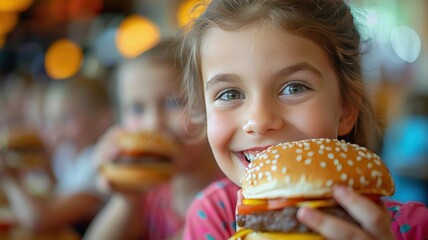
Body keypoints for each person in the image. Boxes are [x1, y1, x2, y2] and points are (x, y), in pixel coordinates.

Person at [179, 1, 428, 239]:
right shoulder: (213, 215)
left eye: (294, 88)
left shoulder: (414, 228)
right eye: (230, 94)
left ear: (346, 108)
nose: (258, 120)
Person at [83, 40, 221, 240]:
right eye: (137, 109)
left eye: (174, 102)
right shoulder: (151, 194)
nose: (153, 124)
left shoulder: (233, 190)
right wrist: (127, 199)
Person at [0, 77, 113, 236]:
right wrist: (48, 170)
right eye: (52, 121)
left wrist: (10, 179)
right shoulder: (74, 157)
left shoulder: (99, 165)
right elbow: (64, 192)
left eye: (65, 119)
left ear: (103, 119)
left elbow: (39, 220)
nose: (57, 131)